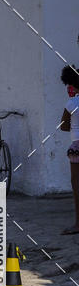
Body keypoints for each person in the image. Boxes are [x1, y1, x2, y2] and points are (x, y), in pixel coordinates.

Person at [60, 65, 79, 235]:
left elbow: (63, 126)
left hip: (77, 146)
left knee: (76, 184)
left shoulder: (72, 103)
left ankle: (78, 224)